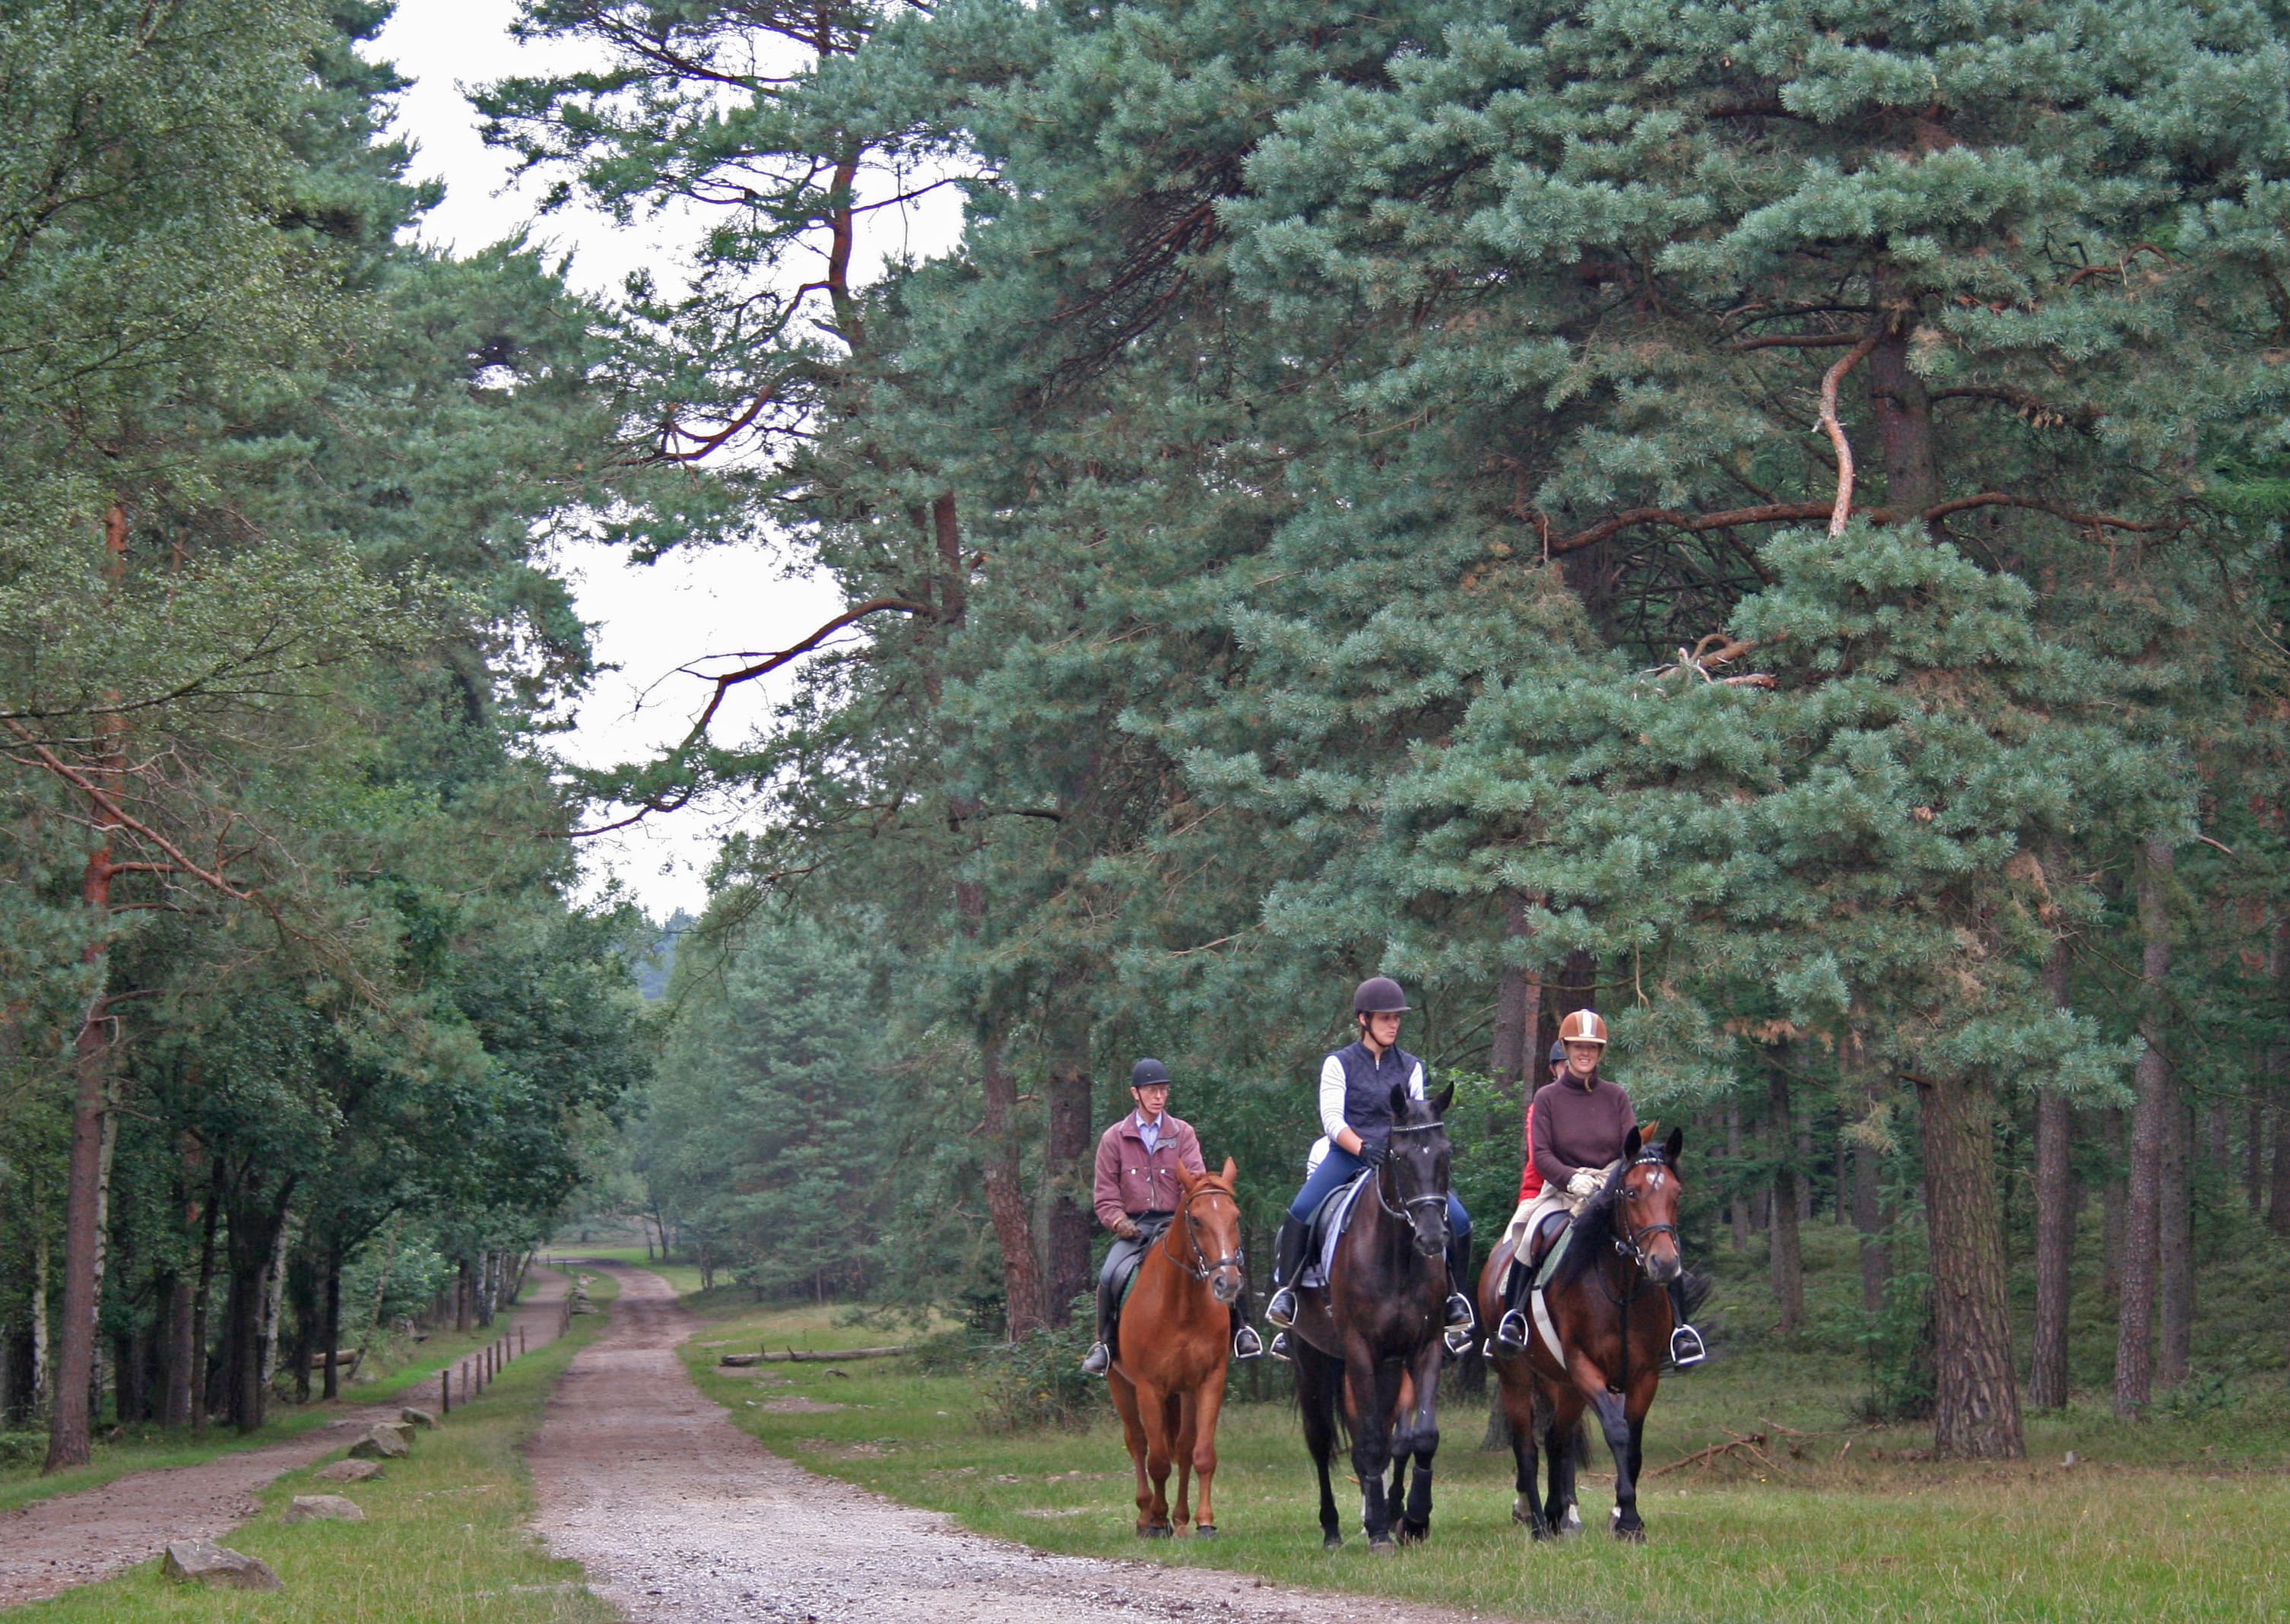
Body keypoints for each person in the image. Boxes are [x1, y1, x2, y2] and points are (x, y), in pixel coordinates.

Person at [1262, 977, 1475, 1356]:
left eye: (1397, 1018)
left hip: (1400, 1160)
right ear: (1364, 1020)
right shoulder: (1338, 1063)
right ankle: (1288, 1294)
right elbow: (1331, 1119)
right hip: (1348, 1153)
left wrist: (1396, 1150)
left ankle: (1454, 1300)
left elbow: (1418, 1117)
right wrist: (1363, 1148)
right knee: (1300, 1211)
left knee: (1458, 1220)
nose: (1393, 1024)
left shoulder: (1411, 1067)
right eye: (1385, 1018)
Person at [1490, 1010, 1705, 1365]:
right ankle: (1514, 1318)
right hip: (1561, 1189)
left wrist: (1610, 1178)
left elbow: (1630, 1149)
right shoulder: (1547, 1098)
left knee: (1662, 1239)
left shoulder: (1616, 1097)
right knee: (1530, 1237)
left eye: (1592, 1047)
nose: (1585, 1053)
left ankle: (1682, 1331)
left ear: (1600, 1052)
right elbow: (1540, 1154)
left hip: (1608, 1188)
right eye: (1578, 1047)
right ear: (1567, 1048)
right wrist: (1571, 1179)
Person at [1080, 1058, 1264, 1376]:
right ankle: (1105, 1344)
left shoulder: (1183, 1133)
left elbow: (1195, 1180)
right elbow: (1106, 1194)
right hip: (1135, 1227)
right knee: (1110, 1274)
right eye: (1152, 1091)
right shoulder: (1114, 1138)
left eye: (1163, 1090)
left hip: (1180, 1222)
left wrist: (1187, 1218)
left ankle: (1242, 1329)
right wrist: (1117, 1222)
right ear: (1135, 1093)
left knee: (1230, 1259)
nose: (1159, 1097)